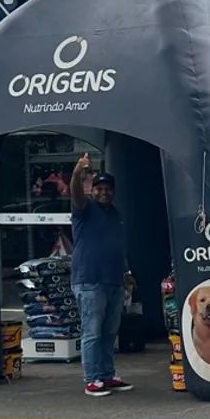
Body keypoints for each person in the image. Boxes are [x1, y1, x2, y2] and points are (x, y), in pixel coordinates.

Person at [71, 153, 135, 397]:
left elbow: (118, 246)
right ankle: (92, 378)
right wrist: (78, 173)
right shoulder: (84, 210)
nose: (104, 192)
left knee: (109, 332)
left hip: (113, 280)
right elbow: (76, 192)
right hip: (90, 280)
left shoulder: (115, 215)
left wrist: (127, 273)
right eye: (99, 188)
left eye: (108, 189)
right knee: (92, 331)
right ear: (92, 191)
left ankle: (107, 375)